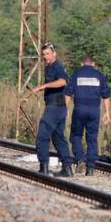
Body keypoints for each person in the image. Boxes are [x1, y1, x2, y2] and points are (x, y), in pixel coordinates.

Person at [64, 54, 111, 176]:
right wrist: (107, 112)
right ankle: (90, 168)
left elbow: (68, 93)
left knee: (76, 135)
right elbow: (106, 95)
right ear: (93, 64)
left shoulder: (76, 75)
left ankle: (80, 160)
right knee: (92, 138)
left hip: (79, 110)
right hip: (95, 111)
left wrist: (65, 109)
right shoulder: (100, 76)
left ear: (81, 63)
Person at [31, 43, 74, 177]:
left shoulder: (57, 66)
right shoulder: (48, 67)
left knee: (42, 136)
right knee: (58, 138)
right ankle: (67, 168)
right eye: (43, 54)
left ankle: (43, 167)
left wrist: (43, 86)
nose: (45, 57)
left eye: (48, 54)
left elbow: (63, 82)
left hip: (55, 107)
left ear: (54, 54)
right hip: (58, 107)